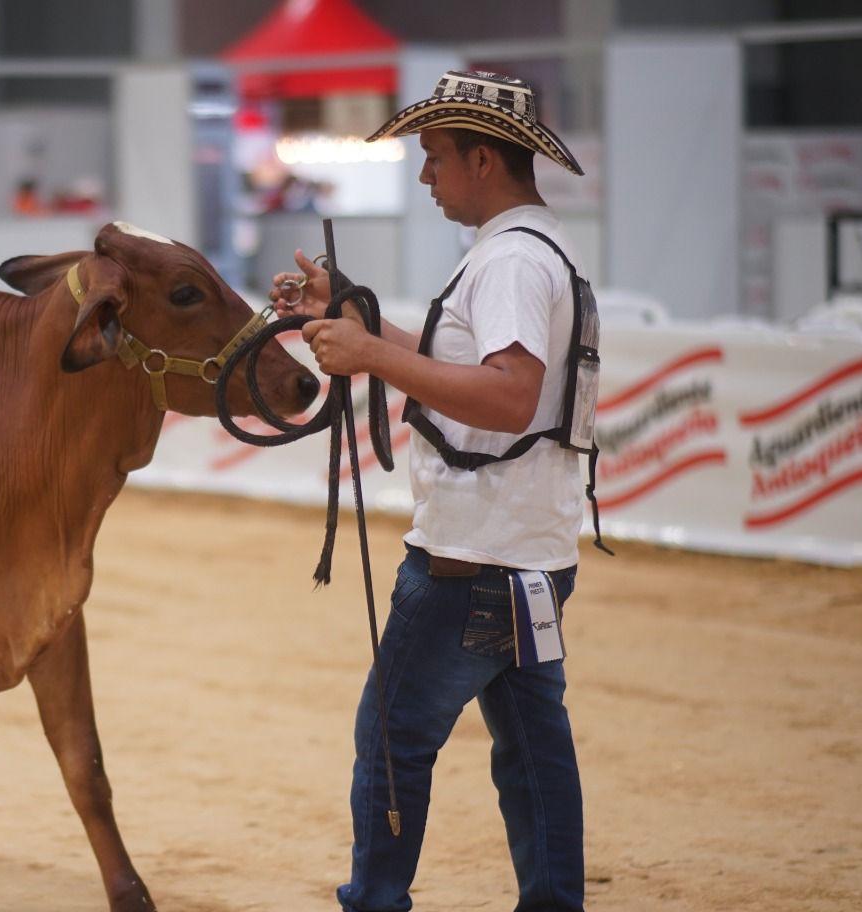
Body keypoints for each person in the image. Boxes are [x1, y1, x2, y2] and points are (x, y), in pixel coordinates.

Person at [270, 70, 596, 912]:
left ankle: (375, 902)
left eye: (436, 159)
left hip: (467, 559)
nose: (425, 178)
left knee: (389, 740)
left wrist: (372, 357)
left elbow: (508, 395)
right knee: (531, 751)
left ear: (482, 160)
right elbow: (473, 376)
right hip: (527, 555)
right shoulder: (531, 252)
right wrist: (354, 319)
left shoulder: (510, 263)